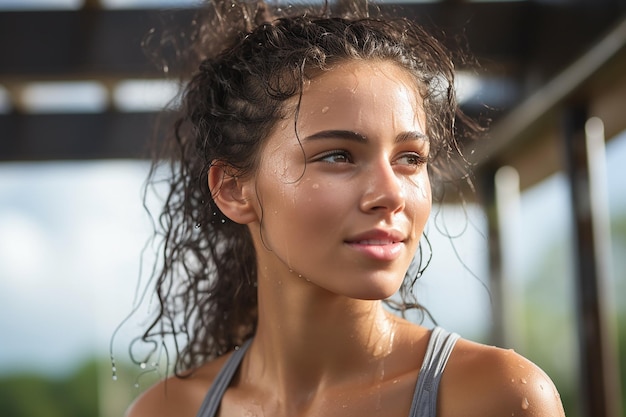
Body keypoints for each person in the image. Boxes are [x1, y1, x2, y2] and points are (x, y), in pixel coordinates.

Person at [125, 1, 566, 416]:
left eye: (410, 158)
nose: (391, 194)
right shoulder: (166, 410)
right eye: (338, 156)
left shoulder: (494, 396)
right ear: (235, 190)